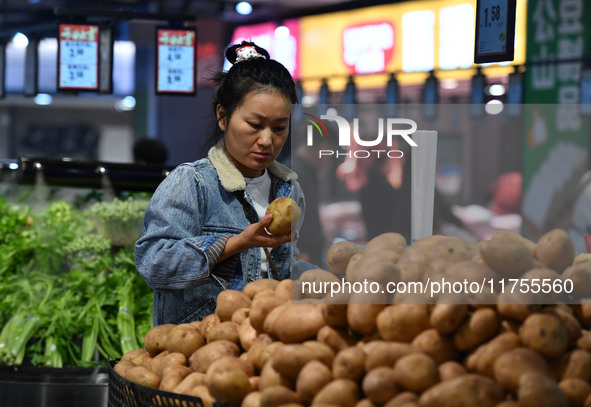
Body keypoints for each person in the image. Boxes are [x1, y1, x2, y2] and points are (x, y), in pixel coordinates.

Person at [135, 41, 308, 326]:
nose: (267, 140)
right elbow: (152, 263)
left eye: (279, 128)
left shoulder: (290, 190)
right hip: (199, 349)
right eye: (255, 125)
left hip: (265, 344)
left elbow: (281, 269)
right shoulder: (192, 183)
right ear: (222, 117)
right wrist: (236, 243)